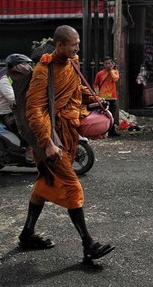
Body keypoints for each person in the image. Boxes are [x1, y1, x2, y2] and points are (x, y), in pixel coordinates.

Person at [17, 25, 114, 263]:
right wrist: (47, 142)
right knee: (72, 186)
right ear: (59, 45)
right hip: (50, 137)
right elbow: (35, 110)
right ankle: (88, 243)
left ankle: (27, 233)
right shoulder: (43, 70)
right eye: (74, 44)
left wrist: (94, 99)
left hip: (68, 132)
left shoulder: (71, 62)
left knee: (44, 183)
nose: (77, 48)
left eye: (78, 44)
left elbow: (77, 87)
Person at [93, 56, 120, 137]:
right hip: (103, 97)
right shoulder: (100, 73)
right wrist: (97, 94)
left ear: (112, 64)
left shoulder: (115, 72)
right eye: (106, 63)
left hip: (112, 96)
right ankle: (102, 131)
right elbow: (95, 84)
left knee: (112, 115)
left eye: (109, 63)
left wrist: (111, 69)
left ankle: (112, 131)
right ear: (103, 64)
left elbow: (115, 79)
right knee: (103, 114)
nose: (108, 65)